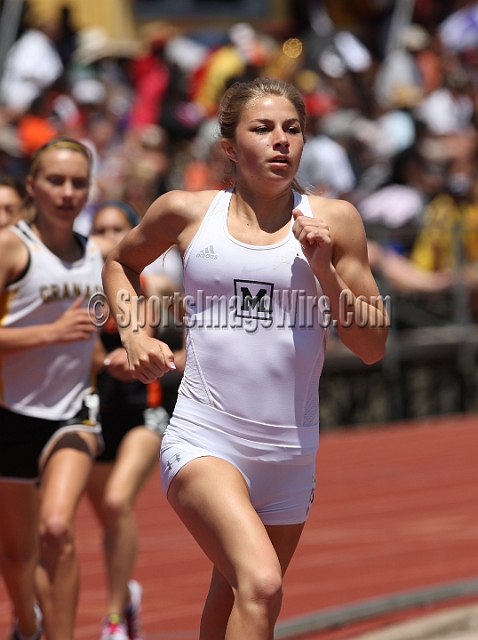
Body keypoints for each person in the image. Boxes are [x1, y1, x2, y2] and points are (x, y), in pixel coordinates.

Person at [102, 77, 388, 639]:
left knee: (234, 597)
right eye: (263, 129)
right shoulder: (187, 212)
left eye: (293, 129)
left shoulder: (336, 221)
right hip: (205, 437)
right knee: (261, 585)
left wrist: (324, 268)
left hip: (290, 454)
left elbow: (372, 346)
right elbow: (119, 263)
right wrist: (134, 334)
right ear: (230, 147)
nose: (281, 141)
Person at [0, 137, 103, 640]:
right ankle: (26, 625)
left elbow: (100, 329)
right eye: (56, 181)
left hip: (75, 412)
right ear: (32, 187)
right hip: (10, 414)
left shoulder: (97, 255)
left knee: (57, 529)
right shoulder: (11, 248)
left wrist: (124, 352)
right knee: (18, 555)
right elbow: (63, 329)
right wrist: (50, 333)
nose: (68, 193)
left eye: (78, 183)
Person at [87, 200, 172, 640]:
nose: (107, 235)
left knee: (119, 502)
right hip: (96, 413)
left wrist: (149, 350)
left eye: (117, 228)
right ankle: (129, 596)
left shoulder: (152, 286)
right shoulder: (79, 289)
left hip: (145, 410)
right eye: (100, 228)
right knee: (110, 522)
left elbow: (154, 330)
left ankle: (115, 618)